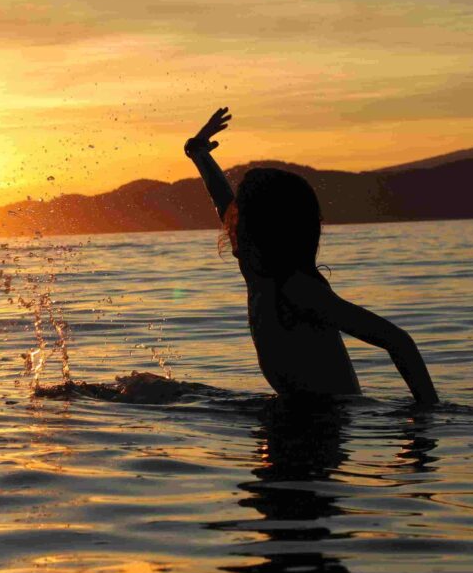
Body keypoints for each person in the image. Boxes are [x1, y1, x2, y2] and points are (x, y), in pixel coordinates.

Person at [184, 107, 439, 406]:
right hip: (298, 413)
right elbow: (222, 200)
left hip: (328, 422)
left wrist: (426, 416)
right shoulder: (255, 270)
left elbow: (398, 341)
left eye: (243, 215)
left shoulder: (298, 289)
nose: (233, 220)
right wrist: (198, 152)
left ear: (266, 231)